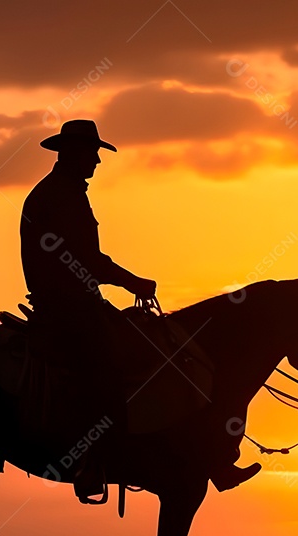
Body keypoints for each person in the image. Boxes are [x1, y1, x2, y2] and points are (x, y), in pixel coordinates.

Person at [20, 119, 260, 500]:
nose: (97, 161)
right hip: (69, 307)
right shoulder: (61, 196)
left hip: (74, 303)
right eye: (93, 153)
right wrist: (133, 282)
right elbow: (86, 260)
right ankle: (93, 460)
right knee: (114, 364)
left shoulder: (59, 193)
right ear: (74, 153)